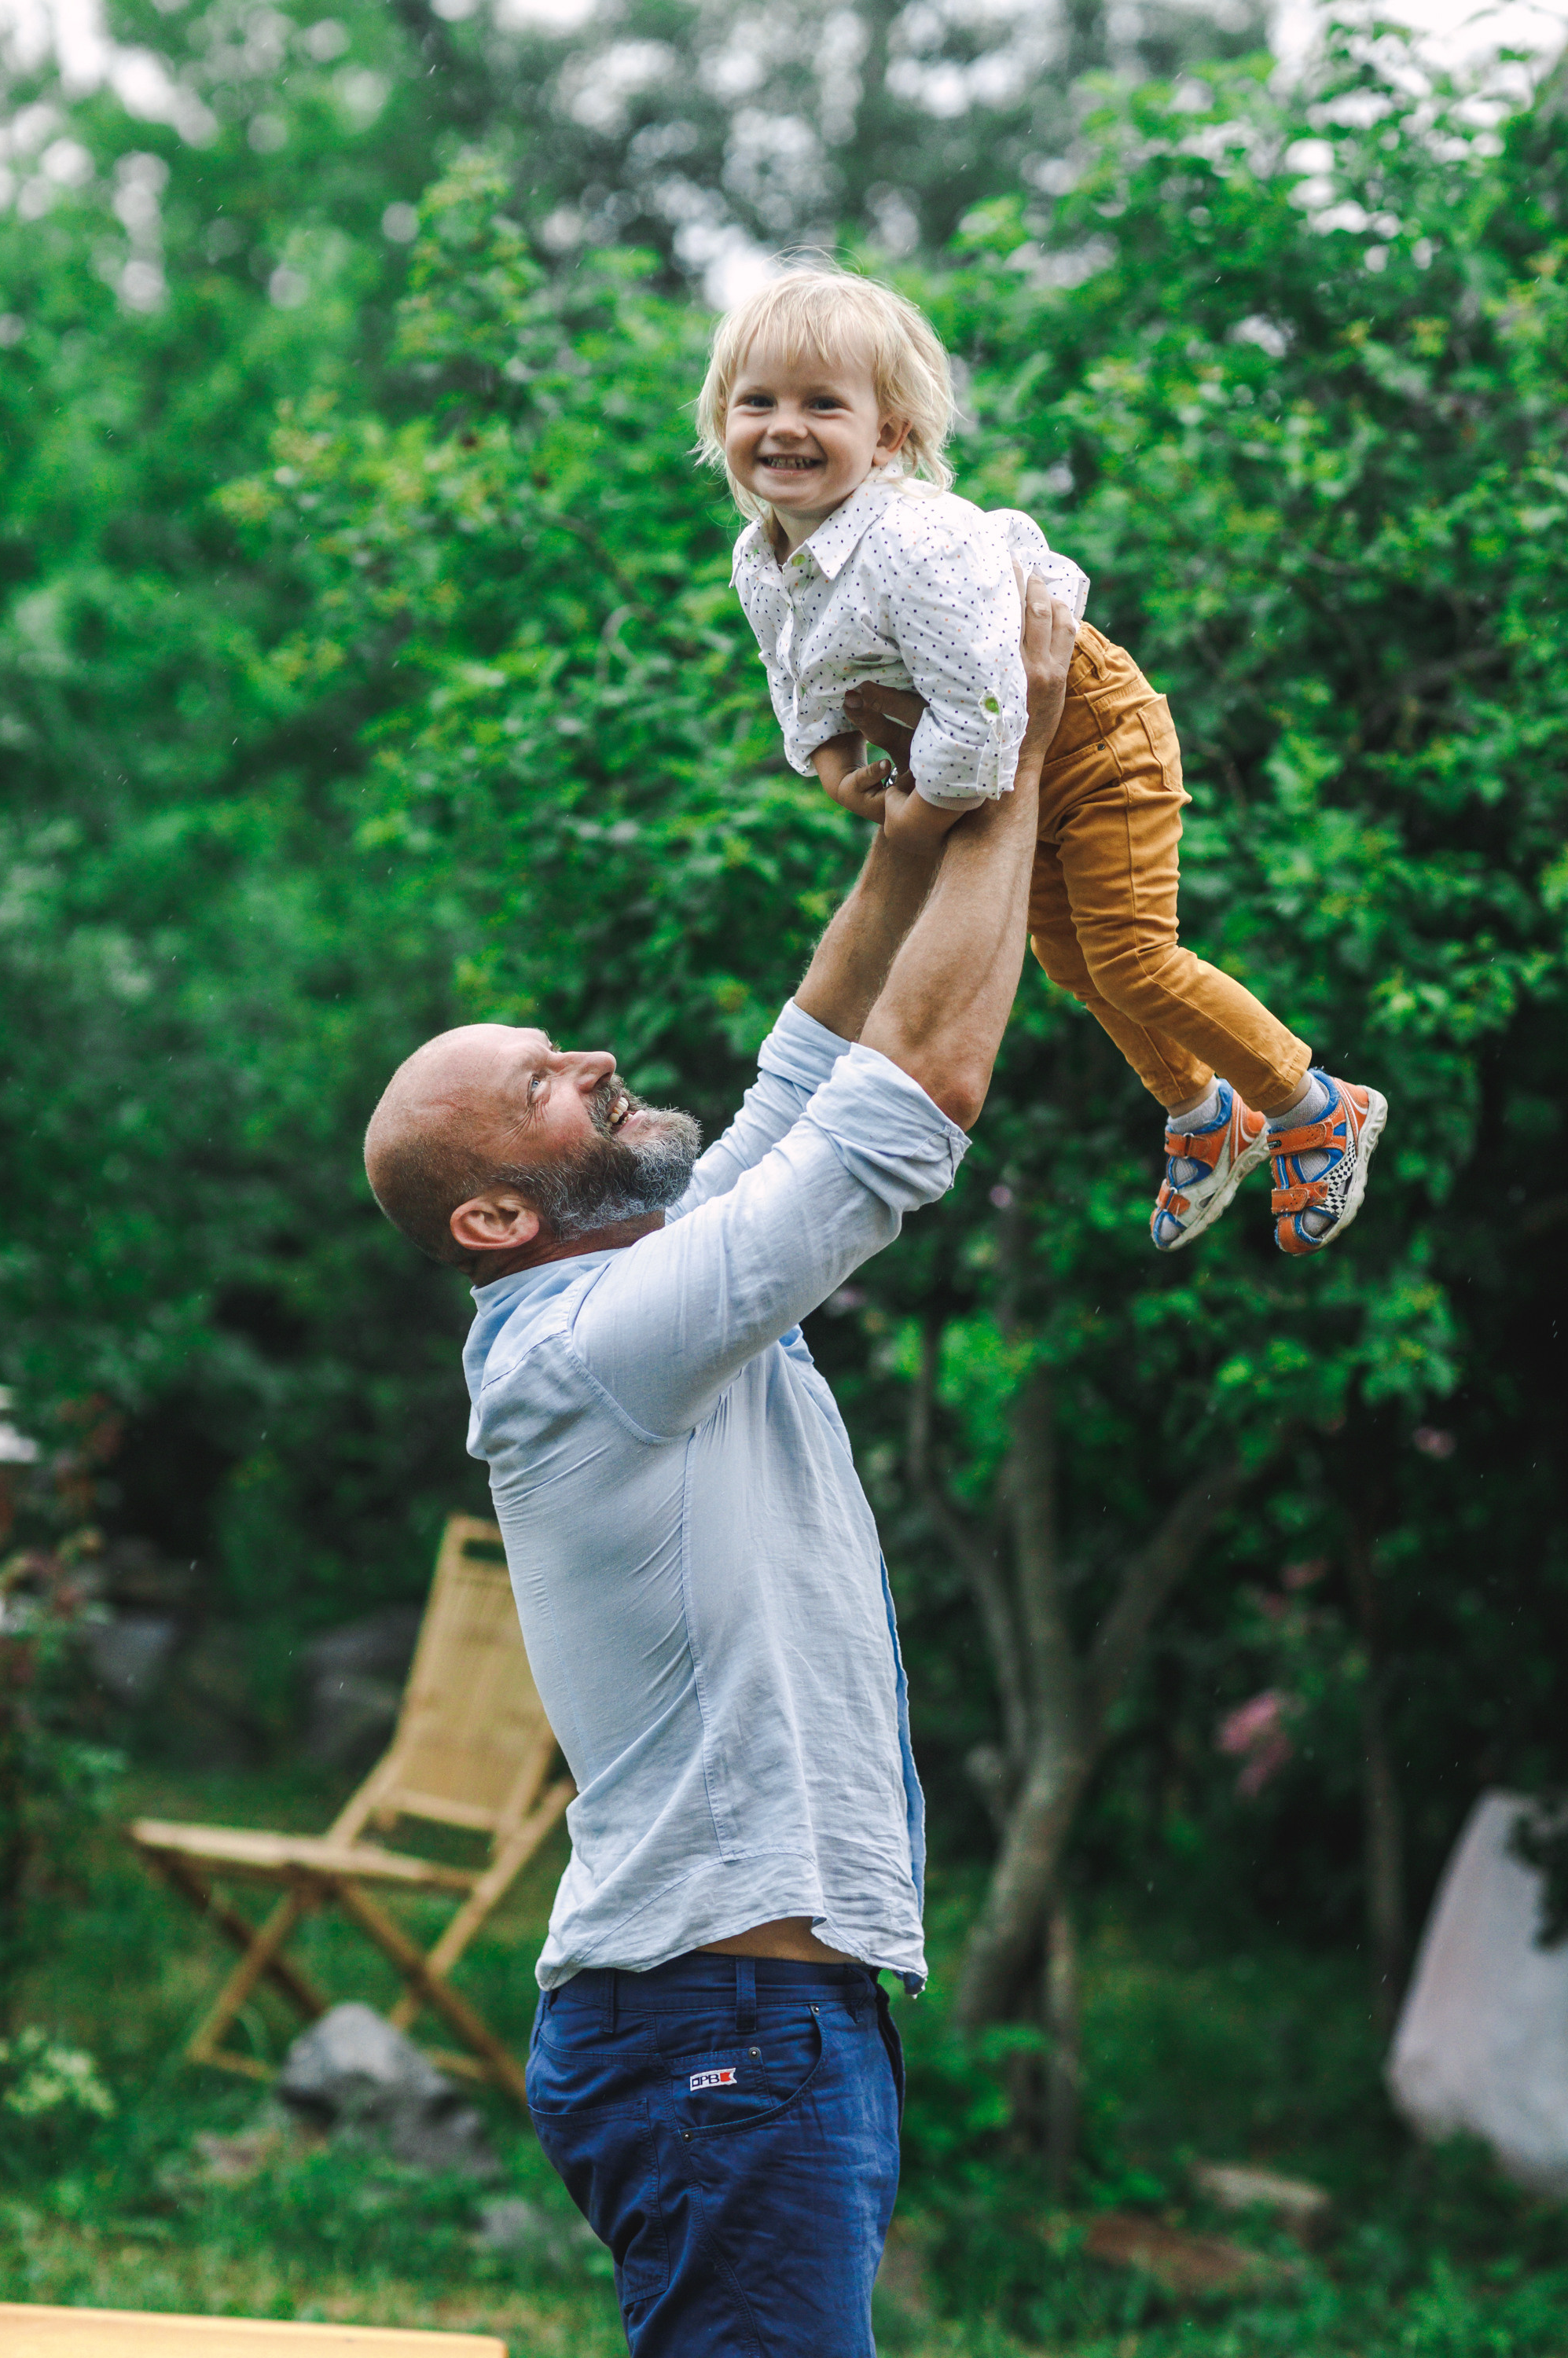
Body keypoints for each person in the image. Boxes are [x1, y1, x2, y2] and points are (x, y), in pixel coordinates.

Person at [362, 579, 1074, 2357]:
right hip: (721, 2019)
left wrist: (911, 844)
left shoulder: (633, 1295)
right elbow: (904, 1110)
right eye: (546, 1080)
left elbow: (809, 1071)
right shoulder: (596, 1349)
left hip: (745, 2013)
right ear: (497, 1211)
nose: (595, 1059)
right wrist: (1024, 748)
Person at [697, 265, 1389, 1258]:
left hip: (1088, 734)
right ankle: (1205, 1117)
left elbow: (987, 721)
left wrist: (919, 823)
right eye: (757, 401)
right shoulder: (760, 555)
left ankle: (1312, 1103)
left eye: (822, 404)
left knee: (1132, 954)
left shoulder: (913, 542)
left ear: (887, 435)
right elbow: (791, 662)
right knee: (1070, 962)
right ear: (724, 417)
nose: (784, 427)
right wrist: (827, 753)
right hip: (1002, 750)